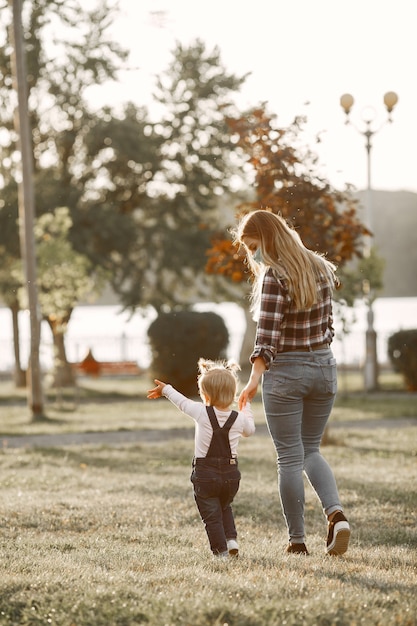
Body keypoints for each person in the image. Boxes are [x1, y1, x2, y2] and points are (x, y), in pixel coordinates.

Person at [234, 209, 350, 556]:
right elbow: (329, 328)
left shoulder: (274, 275)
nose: (251, 255)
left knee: (289, 457)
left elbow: (266, 339)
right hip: (324, 368)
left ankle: (297, 541)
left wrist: (253, 380)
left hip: (286, 373)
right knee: (311, 449)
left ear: (267, 239)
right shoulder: (321, 267)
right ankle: (336, 515)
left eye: (253, 246)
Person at [147, 358, 255, 558]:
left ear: (204, 394)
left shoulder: (201, 412)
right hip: (231, 476)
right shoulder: (238, 419)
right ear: (233, 393)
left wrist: (166, 389)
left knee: (212, 517)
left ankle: (221, 552)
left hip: (206, 475)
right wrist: (245, 406)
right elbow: (250, 430)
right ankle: (231, 541)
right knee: (224, 506)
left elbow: (182, 403)